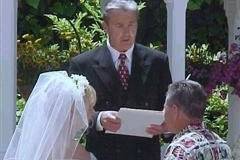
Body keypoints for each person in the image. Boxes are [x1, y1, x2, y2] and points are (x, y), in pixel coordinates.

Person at [68, 0, 172, 160]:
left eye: (132, 25)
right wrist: (99, 119)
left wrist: (167, 126)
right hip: (104, 154)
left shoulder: (157, 61)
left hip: (145, 154)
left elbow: (169, 108)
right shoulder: (83, 64)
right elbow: (72, 117)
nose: (127, 32)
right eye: (119, 25)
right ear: (105, 26)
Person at [4, 71, 97, 160]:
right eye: (89, 108)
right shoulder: (73, 152)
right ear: (73, 113)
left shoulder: (37, 145)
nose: (93, 112)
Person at [147, 80, 233, 159]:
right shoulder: (223, 146)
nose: (163, 112)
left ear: (174, 110)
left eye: (165, 108)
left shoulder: (181, 149)